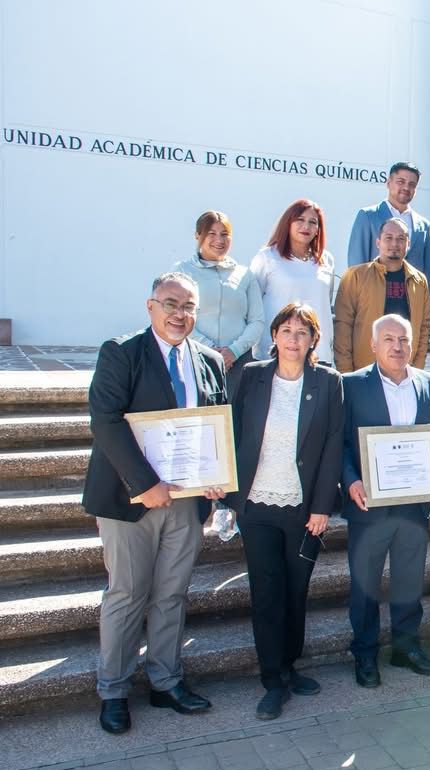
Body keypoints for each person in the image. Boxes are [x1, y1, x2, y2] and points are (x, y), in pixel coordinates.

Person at [84, 272, 227, 735]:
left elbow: (217, 423)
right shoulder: (121, 352)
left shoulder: (209, 361)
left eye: (188, 307)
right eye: (171, 304)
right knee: (127, 594)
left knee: (172, 593)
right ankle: (113, 690)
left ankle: (166, 681)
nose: (179, 314)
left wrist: (218, 477)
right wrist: (145, 484)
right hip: (130, 500)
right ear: (151, 306)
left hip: (186, 502)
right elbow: (105, 420)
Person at [226, 303, 342, 720]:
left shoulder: (327, 381)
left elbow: (333, 444)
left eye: (302, 332)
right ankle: (272, 680)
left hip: (303, 510)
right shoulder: (252, 375)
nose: (294, 339)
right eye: (287, 330)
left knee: (296, 591)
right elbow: (231, 430)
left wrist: (322, 505)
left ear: (313, 340)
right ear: (274, 335)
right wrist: (226, 492)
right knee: (267, 594)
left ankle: (290, 666)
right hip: (257, 505)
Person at [342, 315, 430, 687]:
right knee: (366, 583)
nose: (397, 346)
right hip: (368, 504)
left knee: (409, 578)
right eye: (388, 339)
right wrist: (351, 480)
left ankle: (406, 647)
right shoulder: (351, 385)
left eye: (404, 339)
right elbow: (339, 441)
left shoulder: (429, 383)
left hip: (414, 502)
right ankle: (365, 653)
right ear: (373, 344)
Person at [175, 210, 264, 398]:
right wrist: (209, 349)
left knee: (237, 413)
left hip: (238, 362)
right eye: (211, 233)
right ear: (198, 235)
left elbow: (257, 321)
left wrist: (233, 352)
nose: (219, 240)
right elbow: (177, 315)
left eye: (225, 234)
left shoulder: (244, 274)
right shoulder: (182, 271)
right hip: (196, 357)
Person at [334, 218, 430, 373]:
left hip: (404, 371)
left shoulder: (419, 281)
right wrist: (346, 372)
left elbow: (424, 328)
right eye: (389, 238)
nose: (394, 243)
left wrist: (417, 370)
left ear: (408, 244)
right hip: (363, 370)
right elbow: (343, 326)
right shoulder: (356, 276)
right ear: (378, 242)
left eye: (401, 239)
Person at [251, 199, 336, 364]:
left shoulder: (326, 260)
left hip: (318, 354)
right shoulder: (267, 257)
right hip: (275, 354)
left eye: (313, 222)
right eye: (300, 220)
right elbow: (253, 304)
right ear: (288, 223)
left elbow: (326, 301)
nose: (306, 226)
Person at [348, 161, 430, 302]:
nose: (406, 187)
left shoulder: (423, 225)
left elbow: (429, 272)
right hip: (374, 300)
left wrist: (429, 304)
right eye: (401, 182)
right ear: (388, 183)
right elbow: (356, 263)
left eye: (412, 184)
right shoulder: (368, 216)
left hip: (412, 303)